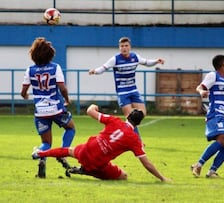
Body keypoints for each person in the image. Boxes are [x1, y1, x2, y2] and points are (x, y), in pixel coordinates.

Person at [32, 104, 171, 182]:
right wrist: (162, 178)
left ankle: (40, 153)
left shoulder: (114, 120)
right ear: (138, 124)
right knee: (123, 176)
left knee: (68, 150)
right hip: (97, 162)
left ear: (127, 116)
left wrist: (94, 106)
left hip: (88, 148)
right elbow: (146, 163)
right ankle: (86, 171)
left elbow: (90, 111)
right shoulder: (134, 139)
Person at [21, 37, 76, 178]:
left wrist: (25, 96)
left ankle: (41, 157)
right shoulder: (55, 67)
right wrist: (67, 99)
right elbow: (62, 87)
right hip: (56, 108)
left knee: (46, 142)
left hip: (40, 111)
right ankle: (63, 153)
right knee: (70, 127)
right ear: (50, 53)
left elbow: (23, 91)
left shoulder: (30, 70)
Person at [88, 36, 164, 136]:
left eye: (126, 46)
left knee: (142, 113)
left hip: (133, 90)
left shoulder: (135, 57)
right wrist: (95, 71)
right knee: (130, 117)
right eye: (122, 46)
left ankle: (123, 131)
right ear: (119, 48)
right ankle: (137, 140)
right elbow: (104, 67)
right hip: (122, 92)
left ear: (130, 47)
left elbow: (146, 62)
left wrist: (156, 61)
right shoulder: (115, 59)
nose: (124, 48)